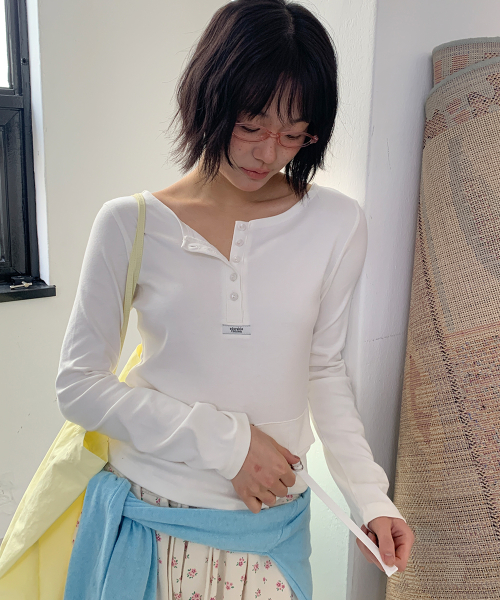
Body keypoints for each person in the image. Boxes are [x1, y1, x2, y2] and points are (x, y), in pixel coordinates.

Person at [55, 0, 415, 598]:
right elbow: (78, 386)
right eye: (250, 126)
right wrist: (230, 445)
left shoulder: (337, 224)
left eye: (294, 135)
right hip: (152, 521)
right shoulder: (129, 224)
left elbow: (322, 371)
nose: (268, 153)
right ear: (208, 100)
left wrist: (371, 498)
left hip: (271, 530)